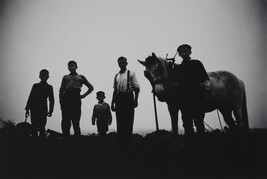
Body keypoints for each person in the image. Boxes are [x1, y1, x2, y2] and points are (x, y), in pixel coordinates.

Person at [177, 44, 210, 139]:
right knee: (187, 123)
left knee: (199, 122)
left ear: (190, 52)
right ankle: (190, 145)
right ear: (179, 54)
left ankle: (201, 145)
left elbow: (205, 79)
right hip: (184, 100)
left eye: (185, 51)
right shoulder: (179, 68)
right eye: (181, 52)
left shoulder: (197, 63)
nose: (184, 53)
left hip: (197, 97)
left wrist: (207, 93)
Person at [111, 56, 140, 148]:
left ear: (126, 63)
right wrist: (112, 103)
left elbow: (137, 88)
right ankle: (121, 144)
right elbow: (115, 90)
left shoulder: (131, 73)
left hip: (128, 99)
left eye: (123, 62)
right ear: (118, 64)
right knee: (120, 122)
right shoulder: (116, 75)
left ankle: (128, 144)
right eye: (120, 63)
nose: (121, 64)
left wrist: (136, 100)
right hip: (119, 100)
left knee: (128, 122)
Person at [59, 60, 94, 137]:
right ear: (68, 68)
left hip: (76, 98)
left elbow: (91, 87)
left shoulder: (81, 77)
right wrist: (61, 101)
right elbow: (61, 90)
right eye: (69, 66)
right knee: (65, 121)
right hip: (66, 98)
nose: (71, 67)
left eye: (73, 65)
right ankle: (66, 139)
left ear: (76, 67)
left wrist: (83, 95)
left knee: (76, 120)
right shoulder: (65, 77)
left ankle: (77, 140)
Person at [25, 69, 54, 138]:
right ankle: (36, 145)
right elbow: (30, 97)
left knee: (42, 127)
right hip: (34, 108)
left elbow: (51, 100)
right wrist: (27, 109)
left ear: (48, 77)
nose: (44, 77)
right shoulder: (35, 86)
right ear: (40, 76)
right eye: (42, 75)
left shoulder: (49, 87)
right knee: (35, 127)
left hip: (43, 109)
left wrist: (51, 110)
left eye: (45, 75)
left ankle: (41, 145)